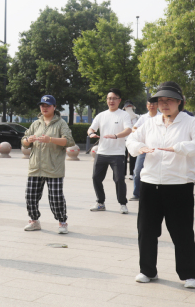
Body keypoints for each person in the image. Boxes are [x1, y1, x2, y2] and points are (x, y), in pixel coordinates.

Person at [126, 81, 195, 289]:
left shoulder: (190, 122)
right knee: (146, 230)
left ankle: (189, 274)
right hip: (150, 183)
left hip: (178, 185)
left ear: (179, 102)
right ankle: (148, 270)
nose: (164, 104)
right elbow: (131, 140)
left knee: (182, 232)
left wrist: (180, 147)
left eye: (169, 100)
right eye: (161, 100)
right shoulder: (150, 123)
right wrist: (140, 147)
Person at [21, 95, 76, 234]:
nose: (44, 108)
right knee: (30, 196)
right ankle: (34, 221)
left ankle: (62, 222)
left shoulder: (61, 123)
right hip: (35, 167)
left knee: (56, 198)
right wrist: (28, 140)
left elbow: (69, 141)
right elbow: (24, 141)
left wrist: (50, 139)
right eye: (42, 105)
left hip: (53, 167)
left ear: (54, 107)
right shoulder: (36, 124)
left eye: (48, 105)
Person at [88, 89, 133, 214]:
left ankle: (123, 204)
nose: (111, 101)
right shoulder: (101, 115)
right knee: (96, 178)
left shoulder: (124, 115)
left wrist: (116, 135)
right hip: (102, 152)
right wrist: (91, 134)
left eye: (114, 98)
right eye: (109, 98)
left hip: (117, 153)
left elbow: (128, 129)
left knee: (119, 179)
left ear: (119, 100)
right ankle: (100, 202)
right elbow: (91, 128)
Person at [130, 100, 160, 201]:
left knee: (157, 171)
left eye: (154, 104)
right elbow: (134, 128)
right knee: (137, 171)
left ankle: (155, 194)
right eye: (149, 104)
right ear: (147, 106)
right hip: (144, 148)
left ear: (157, 105)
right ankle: (136, 194)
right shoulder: (143, 117)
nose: (152, 106)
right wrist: (141, 132)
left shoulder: (161, 116)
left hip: (157, 149)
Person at [122, 101, 138, 179]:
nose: (128, 108)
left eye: (130, 107)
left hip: (133, 140)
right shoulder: (122, 117)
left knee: (133, 156)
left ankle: (132, 173)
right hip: (124, 139)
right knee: (123, 157)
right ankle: (123, 173)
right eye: (127, 107)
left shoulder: (137, 117)